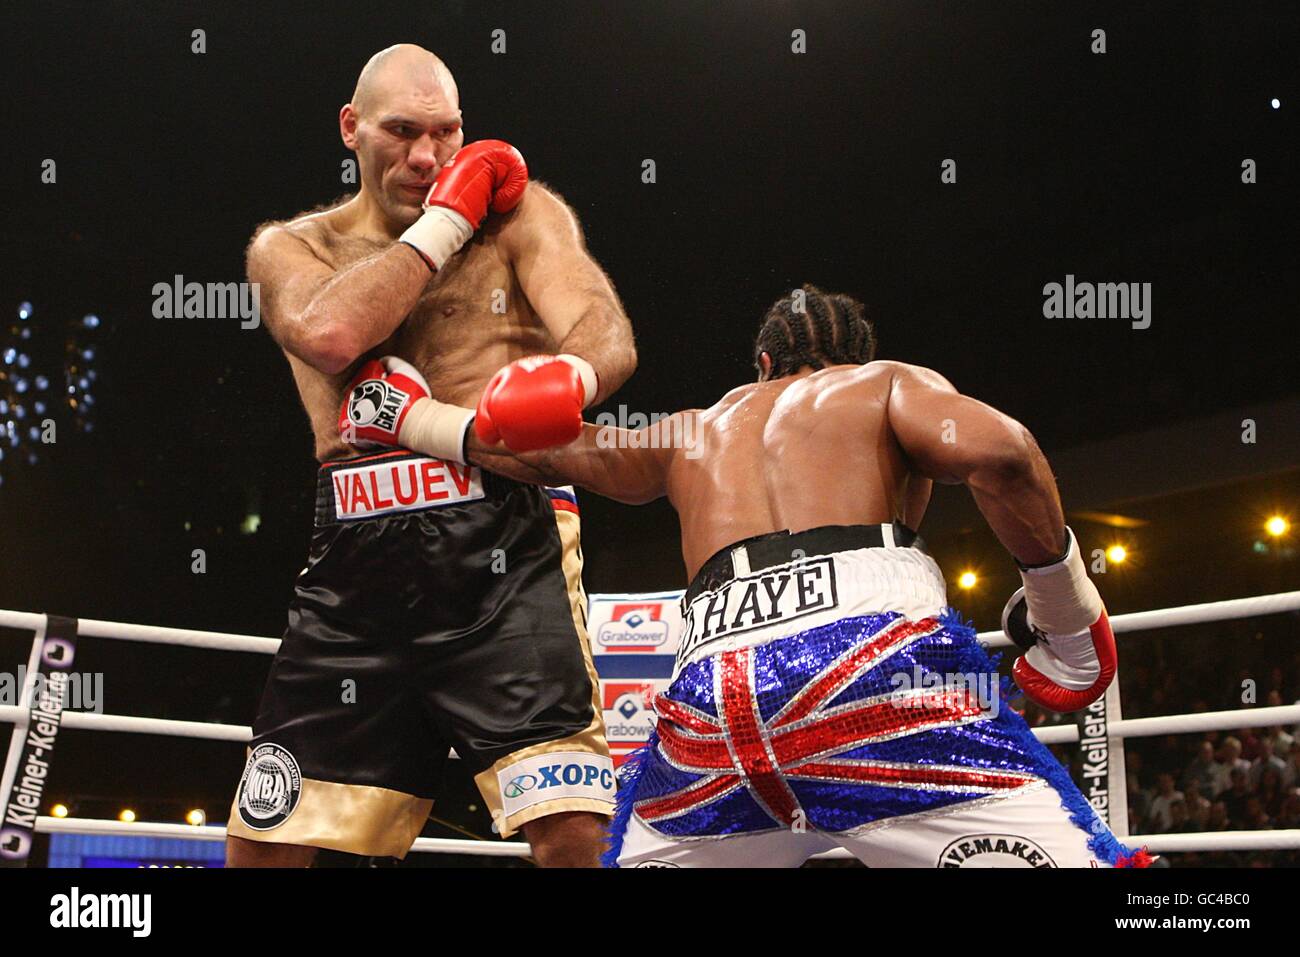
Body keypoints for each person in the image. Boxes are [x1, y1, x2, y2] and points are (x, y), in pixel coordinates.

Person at [349, 284, 1148, 867]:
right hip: (872, 666)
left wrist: (409, 417)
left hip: (709, 704)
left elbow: (552, 452)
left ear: (763, 364)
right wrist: (1066, 614)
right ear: (852, 359)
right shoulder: (884, 382)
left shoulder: (692, 429)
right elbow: (1004, 454)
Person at [225, 44, 635, 868]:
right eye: (401, 132)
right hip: (354, 561)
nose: (427, 156)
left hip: (505, 546)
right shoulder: (289, 249)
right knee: (266, 841)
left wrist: (569, 376)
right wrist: (447, 217)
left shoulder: (522, 219)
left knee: (570, 826)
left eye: (446, 134)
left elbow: (605, 328)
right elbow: (332, 334)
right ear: (351, 127)